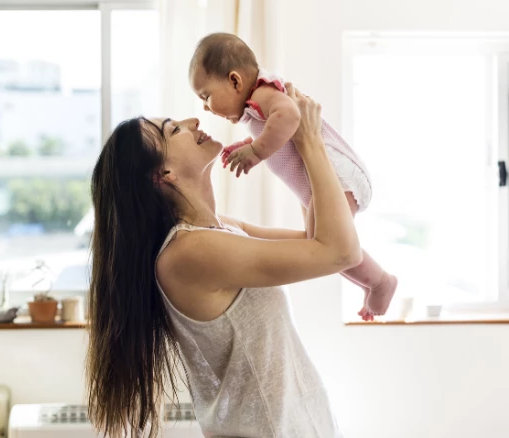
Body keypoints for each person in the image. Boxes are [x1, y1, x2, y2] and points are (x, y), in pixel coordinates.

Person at [86, 83, 359, 437]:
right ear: (163, 175)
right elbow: (340, 252)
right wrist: (309, 142)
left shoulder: (220, 231)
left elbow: (317, 238)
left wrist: (291, 148)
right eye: (174, 129)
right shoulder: (190, 252)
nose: (192, 120)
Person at [189, 32, 397, 321]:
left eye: (206, 96)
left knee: (327, 248)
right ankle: (373, 282)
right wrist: (249, 146)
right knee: (320, 246)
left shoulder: (263, 93)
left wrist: (257, 151)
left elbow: (290, 116)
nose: (205, 107)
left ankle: (380, 282)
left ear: (235, 81)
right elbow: (276, 134)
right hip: (317, 183)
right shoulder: (255, 104)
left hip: (336, 173)